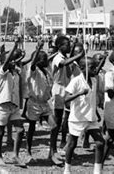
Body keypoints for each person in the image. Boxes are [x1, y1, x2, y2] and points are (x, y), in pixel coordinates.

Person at [64, 57, 105, 174]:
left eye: (95, 66)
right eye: (92, 67)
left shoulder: (94, 80)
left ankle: (97, 171)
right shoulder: (76, 81)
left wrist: (96, 112)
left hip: (90, 118)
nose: (95, 69)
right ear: (82, 68)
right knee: (72, 144)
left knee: (100, 142)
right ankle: (67, 169)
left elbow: (92, 100)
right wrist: (80, 93)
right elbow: (66, 99)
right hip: (77, 118)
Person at [49, 36, 83, 165]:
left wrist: (75, 49)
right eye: (67, 45)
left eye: (69, 45)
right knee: (56, 121)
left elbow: (69, 68)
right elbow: (63, 64)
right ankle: (52, 151)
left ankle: (64, 146)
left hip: (66, 89)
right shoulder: (58, 58)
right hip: (58, 90)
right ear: (60, 46)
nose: (69, 47)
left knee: (68, 118)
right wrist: (78, 54)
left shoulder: (66, 58)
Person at [0, 39, 26, 168]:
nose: (13, 62)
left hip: (14, 106)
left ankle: (16, 155)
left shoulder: (16, 73)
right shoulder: (2, 73)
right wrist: (14, 47)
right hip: (3, 106)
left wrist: (20, 51)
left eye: (14, 60)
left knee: (20, 130)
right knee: (0, 132)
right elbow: (7, 62)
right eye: (10, 60)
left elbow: (18, 60)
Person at [24, 41, 55, 164]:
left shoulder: (46, 71)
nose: (47, 61)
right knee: (32, 128)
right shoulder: (34, 70)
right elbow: (32, 63)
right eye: (44, 59)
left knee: (54, 126)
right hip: (34, 103)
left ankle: (52, 152)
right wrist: (37, 50)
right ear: (38, 60)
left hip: (44, 103)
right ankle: (28, 151)